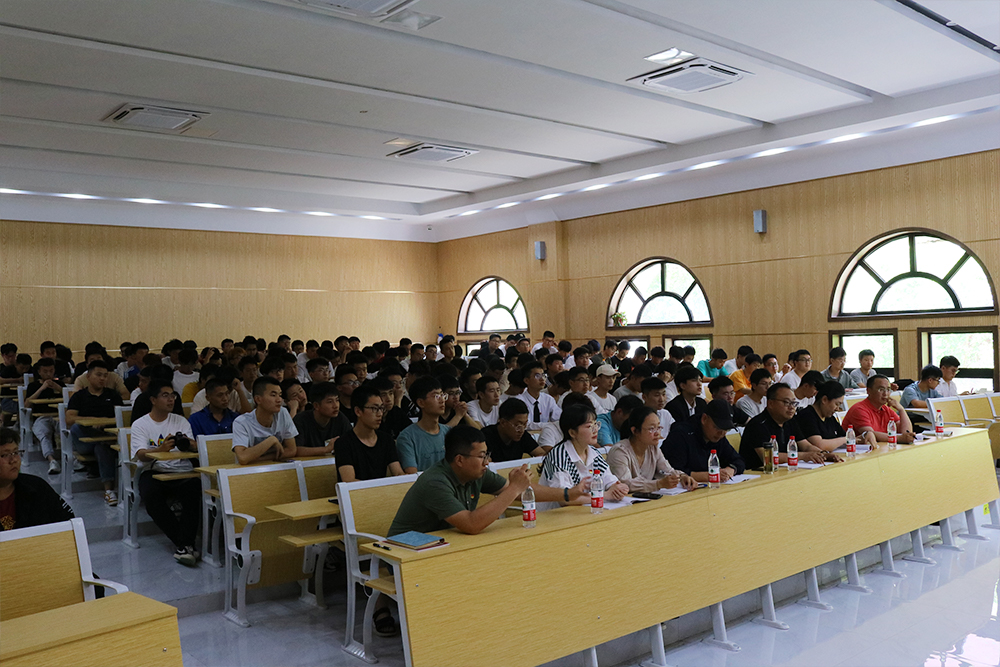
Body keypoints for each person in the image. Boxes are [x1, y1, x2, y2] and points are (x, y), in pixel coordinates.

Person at [389, 426, 589, 535]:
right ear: (459, 460)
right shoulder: (435, 482)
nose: (487, 462)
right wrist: (514, 489)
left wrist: (568, 494)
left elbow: (520, 492)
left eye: (487, 455)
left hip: (445, 542)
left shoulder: (477, 472)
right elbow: (471, 524)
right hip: (404, 551)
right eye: (482, 456)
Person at [129, 380, 201, 566]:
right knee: (150, 495)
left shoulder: (180, 421)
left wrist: (189, 443)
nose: (171, 399)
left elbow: (193, 447)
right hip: (154, 470)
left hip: (182, 470)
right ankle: (185, 544)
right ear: (153, 400)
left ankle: (184, 546)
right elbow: (141, 454)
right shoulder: (140, 424)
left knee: (195, 491)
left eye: (173, 395)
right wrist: (160, 450)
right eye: (165, 395)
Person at [537, 404, 629, 511]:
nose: (595, 430)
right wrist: (606, 495)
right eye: (589, 426)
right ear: (572, 432)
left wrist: (618, 488)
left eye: (596, 424)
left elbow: (609, 480)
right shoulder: (559, 455)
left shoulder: (593, 452)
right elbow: (565, 499)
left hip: (583, 511)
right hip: (554, 515)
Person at [739, 383, 838, 469]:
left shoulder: (790, 421)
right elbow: (769, 457)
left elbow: (806, 446)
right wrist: (803, 456)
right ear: (771, 403)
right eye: (786, 402)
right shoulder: (758, 425)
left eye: (793, 403)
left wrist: (824, 454)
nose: (791, 407)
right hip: (759, 474)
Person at [66, 360, 123, 505]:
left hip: (107, 437)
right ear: (88, 376)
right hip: (85, 440)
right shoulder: (79, 396)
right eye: (98, 375)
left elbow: (120, 417)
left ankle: (109, 491)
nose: (102, 378)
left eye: (105, 375)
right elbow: (69, 418)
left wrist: (106, 422)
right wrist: (94, 420)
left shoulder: (113, 395)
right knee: (76, 428)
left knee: (102, 447)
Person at [0, 428, 74, 531]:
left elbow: (68, 521)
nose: (14, 460)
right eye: (5, 455)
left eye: (16, 452)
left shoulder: (36, 487)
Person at [608, 407, 697, 492]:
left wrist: (681, 476)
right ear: (634, 431)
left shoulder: (653, 448)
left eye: (658, 427)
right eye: (651, 429)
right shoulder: (620, 451)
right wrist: (658, 484)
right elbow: (625, 483)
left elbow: (667, 471)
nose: (657, 433)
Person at [661, 400, 746, 483]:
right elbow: (672, 471)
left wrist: (730, 470)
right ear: (704, 419)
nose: (721, 434)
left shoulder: (719, 437)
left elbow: (738, 460)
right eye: (717, 428)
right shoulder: (681, 434)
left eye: (726, 429)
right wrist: (710, 475)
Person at [335, 385, 403, 482]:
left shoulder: (386, 440)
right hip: (358, 491)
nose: (380, 414)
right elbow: (349, 480)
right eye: (374, 408)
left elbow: (398, 472)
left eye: (381, 408)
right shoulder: (343, 443)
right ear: (358, 411)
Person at [231, 377, 298, 464]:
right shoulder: (241, 422)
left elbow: (291, 450)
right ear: (258, 399)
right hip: (249, 470)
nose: (279, 400)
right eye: (273, 395)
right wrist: (271, 440)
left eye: (280, 395)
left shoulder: (283, 413)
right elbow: (243, 458)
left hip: (273, 467)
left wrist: (259, 459)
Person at [796, 381, 875, 452]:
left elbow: (846, 438)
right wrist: (845, 439)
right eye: (836, 404)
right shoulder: (807, 416)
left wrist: (865, 435)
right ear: (824, 400)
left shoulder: (829, 417)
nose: (837, 409)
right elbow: (819, 445)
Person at [397, 377, 450, 473]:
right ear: (421, 403)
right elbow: (412, 474)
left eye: (442, 395)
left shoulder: (449, 433)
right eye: (436, 396)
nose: (442, 400)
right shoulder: (407, 437)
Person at [842, 375, 915, 444]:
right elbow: (870, 435)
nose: (885, 393)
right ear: (868, 391)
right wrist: (899, 438)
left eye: (888, 389)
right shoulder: (859, 409)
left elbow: (906, 433)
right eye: (881, 389)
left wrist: (901, 410)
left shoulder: (886, 409)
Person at [25, 357, 64, 474]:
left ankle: (73, 458)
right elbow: (27, 404)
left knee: (67, 430)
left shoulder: (60, 384)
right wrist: (41, 389)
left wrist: (59, 388)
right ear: (39, 372)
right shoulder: (33, 386)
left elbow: (71, 400)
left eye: (51, 371)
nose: (48, 374)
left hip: (58, 416)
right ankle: (52, 460)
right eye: (45, 371)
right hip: (41, 417)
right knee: (43, 434)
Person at [516, 361, 561, 430]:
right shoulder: (519, 401)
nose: (542, 379)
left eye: (543, 375)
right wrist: (549, 425)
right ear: (526, 380)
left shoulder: (548, 399)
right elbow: (526, 425)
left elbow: (559, 419)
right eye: (537, 376)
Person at [640, 377, 674, 442]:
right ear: (644, 397)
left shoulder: (665, 414)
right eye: (657, 395)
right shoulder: (639, 417)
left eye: (663, 394)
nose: (662, 399)